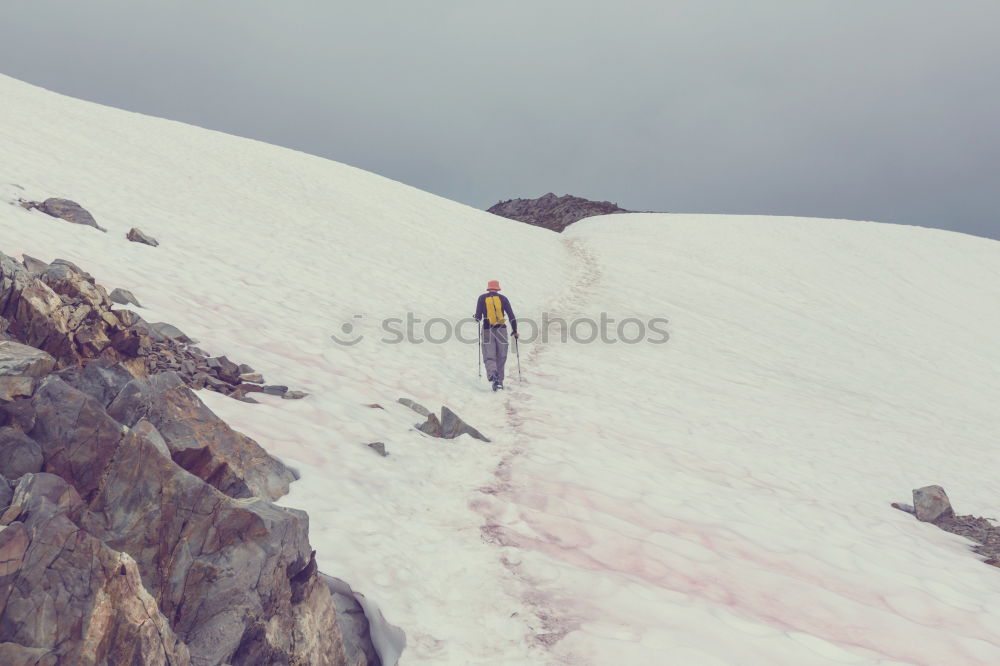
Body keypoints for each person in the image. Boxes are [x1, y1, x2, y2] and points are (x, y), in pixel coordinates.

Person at [474, 280, 518, 391]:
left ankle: (493, 375)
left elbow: (478, 317)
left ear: (488, 288)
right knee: (501, 356)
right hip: (501, 330)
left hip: (487, 330)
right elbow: (512, 316)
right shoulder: (503, 299)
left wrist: (475, 317)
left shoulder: (482, 298)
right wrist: (515, 330)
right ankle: (500, 381)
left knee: (489, 355)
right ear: (498, 289)